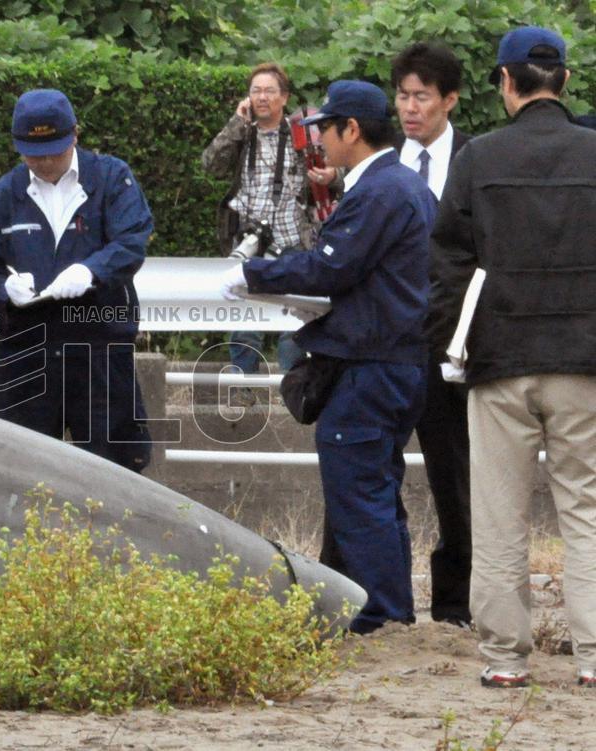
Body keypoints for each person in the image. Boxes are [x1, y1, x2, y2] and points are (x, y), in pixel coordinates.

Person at [220, 81, 437, 634]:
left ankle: (380, 614)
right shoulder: (402, 186)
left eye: (324, 129)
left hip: (371, 364)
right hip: (392, 362)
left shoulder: (380, 191)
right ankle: (373, 608)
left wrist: (251, 274)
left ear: (352, 130)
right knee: (373, 488)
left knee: (360, 490)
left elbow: (330, 268)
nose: (317, 141)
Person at [427, 26, 596, 688]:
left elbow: (446, 267)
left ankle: (503, 659)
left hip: (498, 360)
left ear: (505, 82)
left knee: (499, 514)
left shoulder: (477, 160)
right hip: (584, 360)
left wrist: (452, 348)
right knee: (585, 510)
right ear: (564, 81)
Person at [0, 89, 154, 473]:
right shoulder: (4, 196)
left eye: (55, 150)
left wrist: (92, 270)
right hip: (27, 351)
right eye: (34, 154)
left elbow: (132, 240)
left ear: (76, 135)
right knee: (15, 470)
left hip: (99, 347)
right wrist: (4, 290)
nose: (46, 162)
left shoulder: (112, 179)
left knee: (112, 471)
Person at [392, 42, 474, 628]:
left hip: (455, 345)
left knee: (457, 478)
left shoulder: (476, 161)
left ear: (450, 99)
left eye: (423, 95)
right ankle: (375, 597)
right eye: (402, 95)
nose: (410, 107)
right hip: (389, 346)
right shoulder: (379, 163)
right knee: (369, 469)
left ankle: (456, 603)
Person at [201, 62, 333, 392]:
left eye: (269, 91)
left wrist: (331, 177)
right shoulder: (242, 133)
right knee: (244, 316)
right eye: (255, 91)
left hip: (294, 237)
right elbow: (210, 165)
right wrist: (237, 122)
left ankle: (295, 389)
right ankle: (243, 388)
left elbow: (336, 171)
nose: (262, 98)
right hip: (249, 238)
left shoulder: (304, 134)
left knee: (293, 318)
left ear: (284, 97)